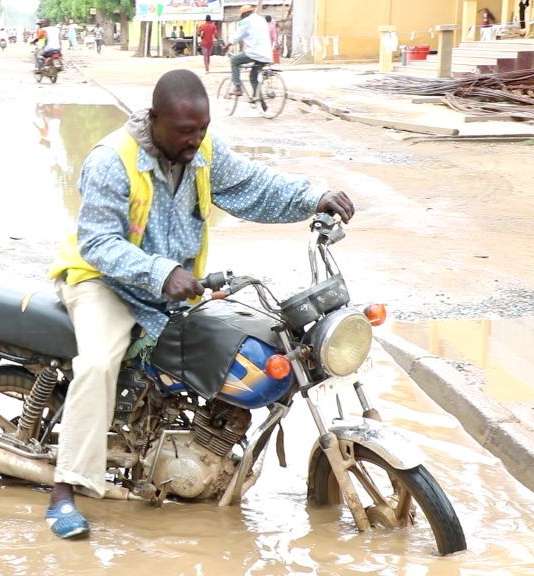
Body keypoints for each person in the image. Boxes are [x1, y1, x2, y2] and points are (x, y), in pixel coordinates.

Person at [45, 69, 354, 539]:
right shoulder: (112, 160)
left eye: (202, 129)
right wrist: (160, 272)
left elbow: (255, 186)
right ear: (154, 119)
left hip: (172, 289)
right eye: (185, 131)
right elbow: (98, 242)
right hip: (104, 283)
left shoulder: (204, 153)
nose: (195, 140)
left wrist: (315, 197)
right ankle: (64, 490)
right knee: (98, 364)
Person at [227, 5, 272, 96]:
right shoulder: (261, 19)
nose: (242, 17)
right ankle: (258, 99)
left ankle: (237, 87)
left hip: (255, 52)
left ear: (246, 13)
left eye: (242, 15)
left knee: (234, 60)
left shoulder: (247, 21)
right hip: (266, 53)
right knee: (253, 77)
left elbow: (238, 35)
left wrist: (228, 44)